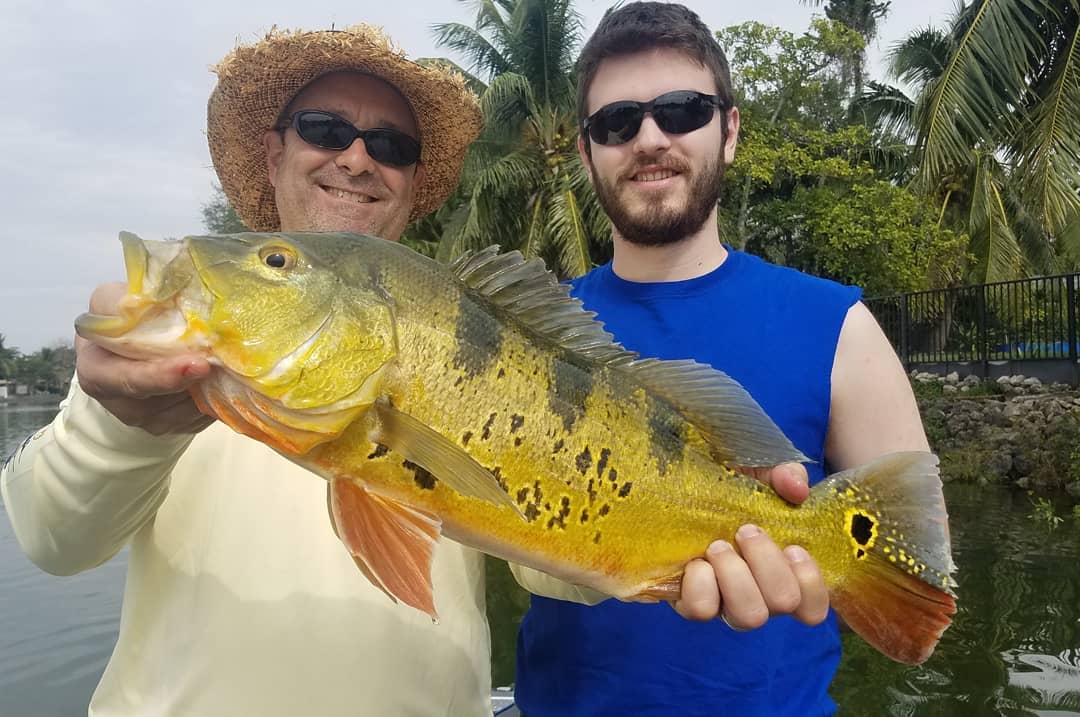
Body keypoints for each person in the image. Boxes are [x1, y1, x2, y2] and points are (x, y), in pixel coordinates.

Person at [0, 25, 499, 716]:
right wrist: (126, 426)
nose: (356, 158)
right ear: (274, 154)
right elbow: (50, 534)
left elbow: (562, 565)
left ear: (412, 182)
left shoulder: (467, 336)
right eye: (326, 129)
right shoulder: (172, 353)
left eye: (390, 145)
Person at [511, 3, 932, 716]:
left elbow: (912, 578)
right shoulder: (526, 332)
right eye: (616, 123)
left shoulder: (839, 326)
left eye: (682, 111)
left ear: (729, 130)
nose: (649, 137)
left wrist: (810, 567)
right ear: (586, 153)